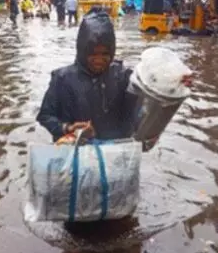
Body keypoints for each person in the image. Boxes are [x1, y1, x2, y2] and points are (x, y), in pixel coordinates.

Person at [36, 10, 157, 150]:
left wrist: (175, 82)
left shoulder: (123, 77)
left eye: (105, 54)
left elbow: (141, 109)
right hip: (75, 154)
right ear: (82, 52)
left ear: (112, 52)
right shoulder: (62, 79)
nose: (99, 59)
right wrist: (68, 128)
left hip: (113, 155)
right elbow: (45, 116)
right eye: (92, 54)